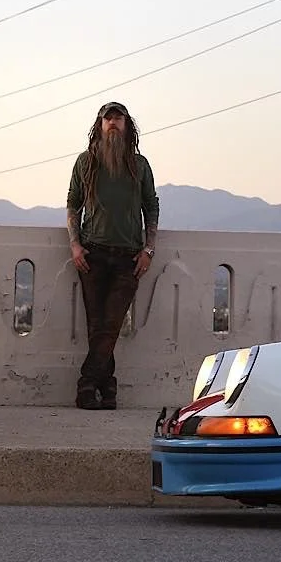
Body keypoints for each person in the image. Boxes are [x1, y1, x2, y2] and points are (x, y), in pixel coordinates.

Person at [65, 101, 159, 409]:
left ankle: (86, 385)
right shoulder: (85, 163)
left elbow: (151, 206)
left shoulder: (140, 165)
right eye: (109, 118)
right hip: (92, 254)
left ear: (127, 125)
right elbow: (73, 205)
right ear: (100, 125)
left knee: (110, 325)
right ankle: (107, 388)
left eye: (119, 118)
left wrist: (148, 249)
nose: (113, 123)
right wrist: (75, 245)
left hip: (128, 258)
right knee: (98, 326)